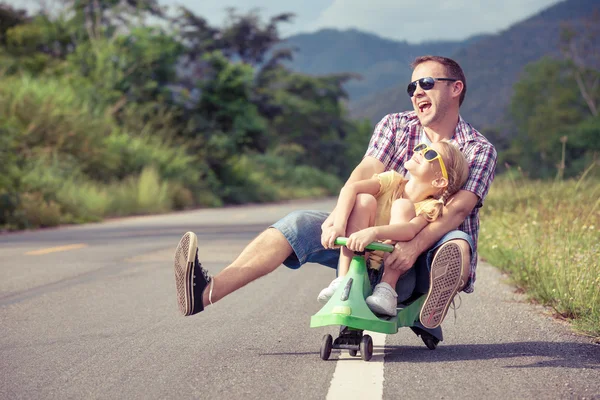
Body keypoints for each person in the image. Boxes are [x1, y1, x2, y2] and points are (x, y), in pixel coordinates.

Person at [173, 55, 497, 331]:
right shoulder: (396, 125)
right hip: (368, 240)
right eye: (412, 87)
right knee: (297, 224)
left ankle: (429, 300)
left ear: (456, 88)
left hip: (422, 257)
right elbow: (364, 174)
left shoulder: (477, 149)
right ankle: (205, 292)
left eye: (426, 83)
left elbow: (455, 211)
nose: (416, 93)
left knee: (457, 242)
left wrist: (411, 247)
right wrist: (338, 219)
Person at [317, 140, 469, 317]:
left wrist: (374, 232)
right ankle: (343, 280)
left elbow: (410, 230)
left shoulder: (432, 206)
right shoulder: (391, 180)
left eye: (429, 154)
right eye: (422, 147)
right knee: (363, 199)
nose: (420, 152)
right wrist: (338, 226)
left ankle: (387, 290)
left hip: (395, 274)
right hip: (359, 266)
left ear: (439, 180)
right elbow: (351, 188)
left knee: (403, 206)